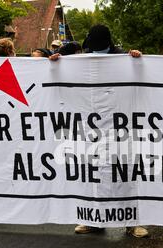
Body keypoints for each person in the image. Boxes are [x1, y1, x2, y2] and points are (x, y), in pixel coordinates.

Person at [49, 25, 146, 237]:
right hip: (91, 128)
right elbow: (60, 75)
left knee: (123, 174)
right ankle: (92, 220)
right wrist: (56, 63)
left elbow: (140, 77)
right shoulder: (81, 61)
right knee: (91, 175)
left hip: (119, 126)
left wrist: (136, 59)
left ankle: (132, 222)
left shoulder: (122, 59)